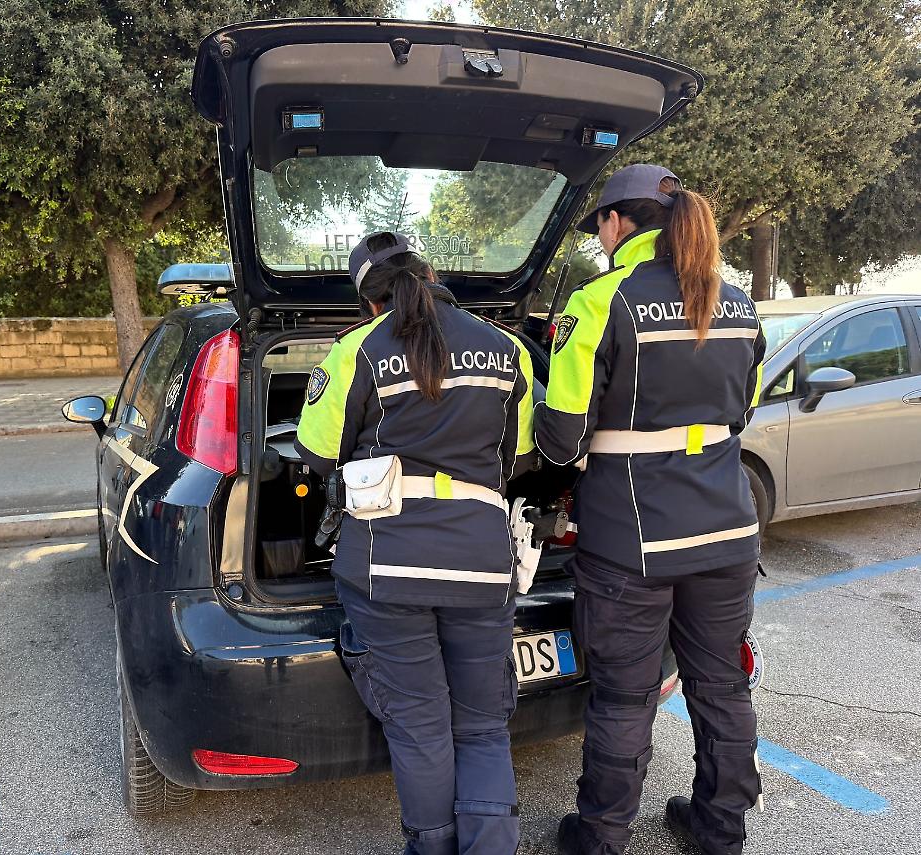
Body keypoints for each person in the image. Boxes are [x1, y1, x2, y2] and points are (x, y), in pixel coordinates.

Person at [534, 164, 766, 855]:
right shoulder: (738, 303)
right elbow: (741, 412)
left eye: (599, 225)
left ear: (617, 222)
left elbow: (562, 437)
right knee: (722, 687)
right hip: (729, 529)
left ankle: (602, 837)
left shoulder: (604, 300)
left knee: (625, 700)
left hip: (633, 541)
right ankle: (721, 829)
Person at [294, 231, 537, 855]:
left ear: (367, 301)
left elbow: (318, 455)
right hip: (481, 562)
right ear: (429, 274)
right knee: (483, 726)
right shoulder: (506, 348)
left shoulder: (359, 349)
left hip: (387, 564)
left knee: (421, 725)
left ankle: (431, 847)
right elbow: (520, 455)